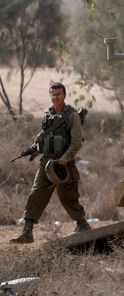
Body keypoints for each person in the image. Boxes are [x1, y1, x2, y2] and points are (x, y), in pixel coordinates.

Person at [10, 82, 91, 244]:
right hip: (46, 163)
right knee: (36, 194)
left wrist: (65, 158)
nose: (55, 97)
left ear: (64, 95)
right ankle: (27, 232)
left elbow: (77, 143)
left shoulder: (72, 116)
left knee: (68, 198)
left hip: (63, 166)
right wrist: (34, 148)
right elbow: (44, 136)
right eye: (53, 94)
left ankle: (82, 225)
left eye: (58, 94)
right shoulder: (48, 115)